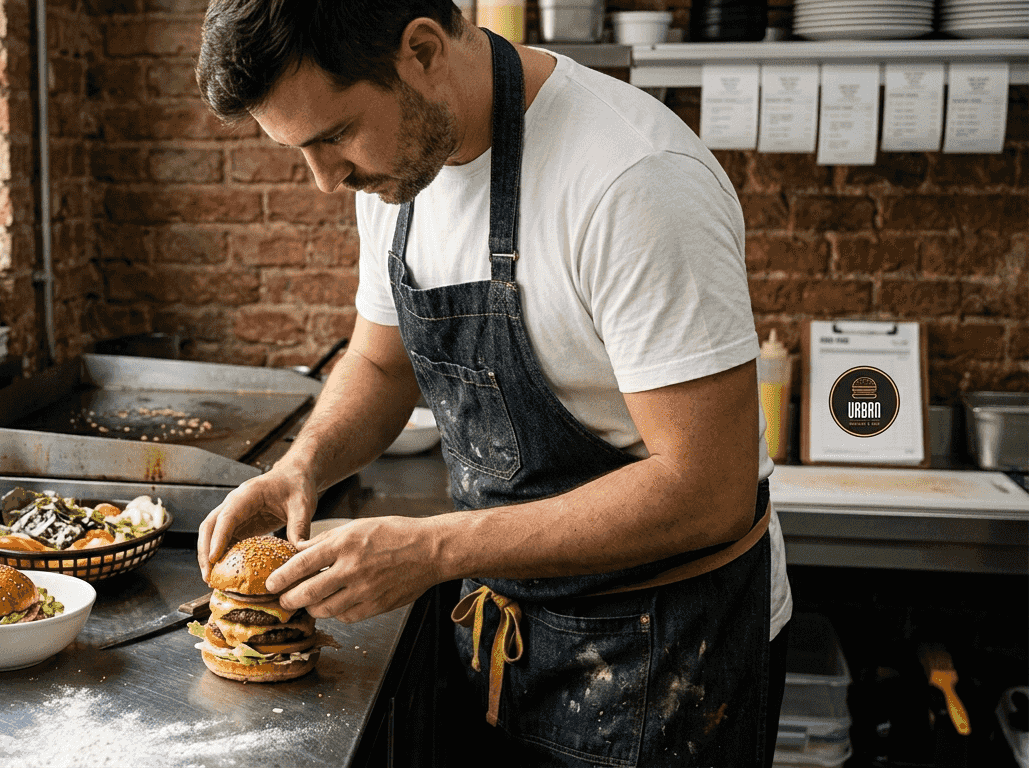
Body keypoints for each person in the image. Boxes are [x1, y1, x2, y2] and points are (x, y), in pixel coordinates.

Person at [194, 2, 793, 765]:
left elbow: (707, 489)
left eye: (335, 135)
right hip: (503, 639)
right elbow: (381, 365)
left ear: (421, 49)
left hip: (667, 659)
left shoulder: (631, 179)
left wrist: (436, 548)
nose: (324, 180)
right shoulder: (398, 175)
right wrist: (300, 469)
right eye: (300, 151)